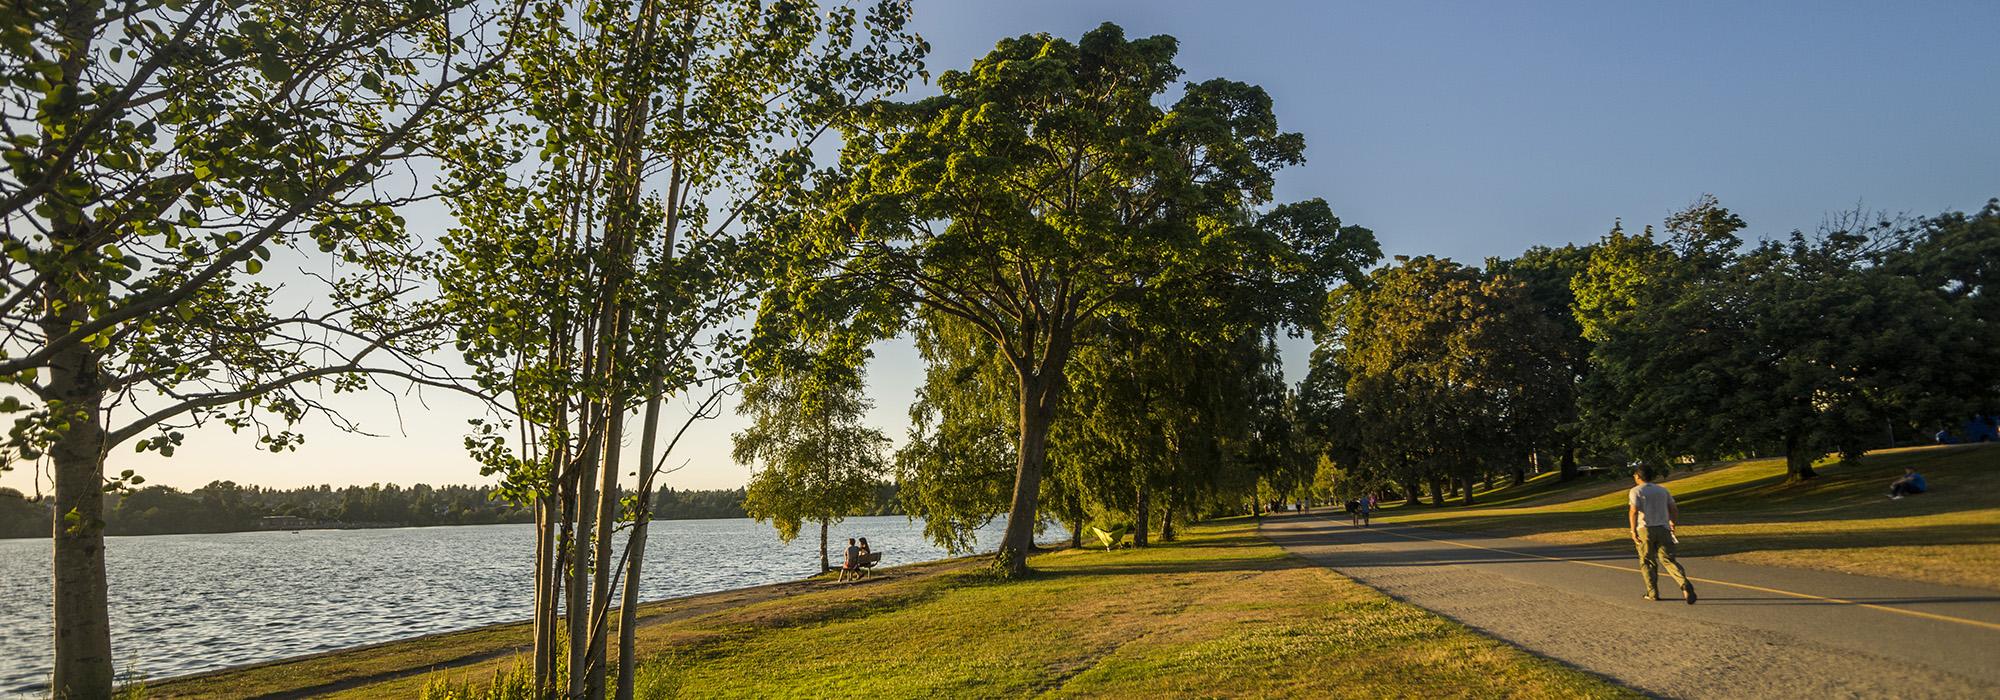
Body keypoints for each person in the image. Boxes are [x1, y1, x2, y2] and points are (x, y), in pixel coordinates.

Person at [1628, 466, 1695, 604]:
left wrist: (1633, 530)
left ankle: (1652, 592)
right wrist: (1672, 524)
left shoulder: (1636, 491)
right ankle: (1684, 584)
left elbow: (1633, 511)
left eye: (1635, 475)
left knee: (1647, 561)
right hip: (1663, 528)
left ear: (1638, 476)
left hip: (1645, 529)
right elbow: (1673, 509)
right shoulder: (1662, 490)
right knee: (1668, 559)